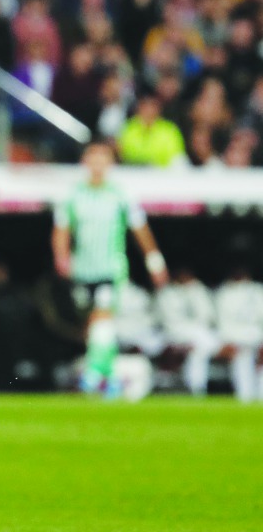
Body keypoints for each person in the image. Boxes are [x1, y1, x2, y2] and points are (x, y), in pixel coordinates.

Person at [51, 140, 169, 397]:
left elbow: (140, 230)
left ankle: (91, 376)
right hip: (82, 271)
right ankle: (109, 377)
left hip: (111, 269)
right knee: (93, 327)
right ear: (85, 162)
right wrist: (61, 257)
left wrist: (155, 261)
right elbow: (61, 230)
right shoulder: (72, 195)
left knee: (102, 318)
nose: (97, 164)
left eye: (103, 159)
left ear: (110, 164)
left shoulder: (121, 195)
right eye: (93, 158)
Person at [157, 267, 220, 396]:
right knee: (202, 344)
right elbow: (166, 321)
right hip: (173, 334)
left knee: (199, 350)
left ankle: (194, 389)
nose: (184, 277)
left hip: (198, 337)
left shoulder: (198, 290)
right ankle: (195, 389)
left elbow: (207, 317)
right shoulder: (167, 292)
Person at [214, 265, 263, 402]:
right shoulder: (225, 293)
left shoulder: (258, 291)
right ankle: (245, 398)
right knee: (242, 360)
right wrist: (226, 341)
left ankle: (253, 398)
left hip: (256, 335)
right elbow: (221, 321)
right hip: (235, 337)